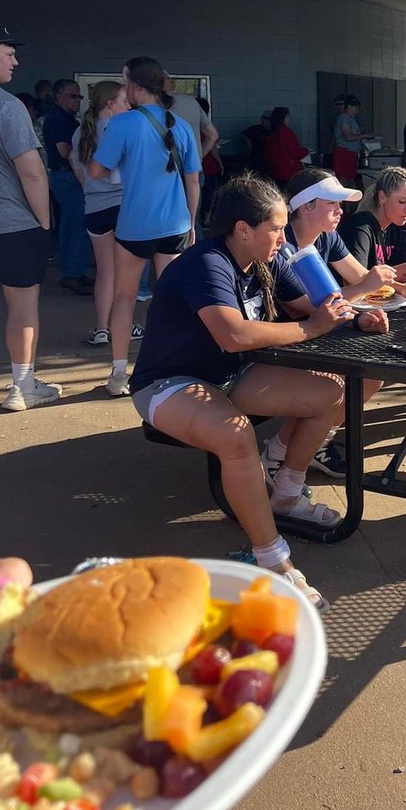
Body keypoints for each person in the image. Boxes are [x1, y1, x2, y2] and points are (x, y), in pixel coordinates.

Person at [129, 174, 354, 609]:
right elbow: (232, 335)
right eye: (276, 228)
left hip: (230, 376)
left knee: (332, 394)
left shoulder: (267, 259)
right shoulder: (206, 263)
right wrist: (311, 329)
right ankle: (270, 557)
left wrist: (355, 316)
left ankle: (286, 495)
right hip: (168, 383)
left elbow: (315, 307)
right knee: (236, 436)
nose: (283, 237)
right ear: (243, 229)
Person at [258, 168, 393, 484]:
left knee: (374, 376)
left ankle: (316, 444)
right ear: (306, 207)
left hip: (321, 334)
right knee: (337, 385)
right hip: (287, 340)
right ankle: (277, 455)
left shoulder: (328, 237)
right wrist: (363, 293)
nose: (340, 210)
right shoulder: (281, 246)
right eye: (332, 203)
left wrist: (398, 287)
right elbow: (307, 306)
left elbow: (362, 277)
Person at [88, 58, 200, 398]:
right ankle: (168, 367)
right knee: (170, 298)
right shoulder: (179, 125)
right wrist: (193, 223)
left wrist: (120, 167)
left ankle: (119, 373)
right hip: (176, 222)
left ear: (136, 87)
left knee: (124, 297)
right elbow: (193, 180)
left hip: (135, 225)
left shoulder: (122, 124)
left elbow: (95, 171)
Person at [0, 26, 62, 412]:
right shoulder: (6, 106)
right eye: (7, 52)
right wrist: (45, 222)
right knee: (22, 306)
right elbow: (32, 170)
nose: (15, 61)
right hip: (13, 223)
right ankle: (21, 387)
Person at [71, 79, 146, 354]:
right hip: (124, 207)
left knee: (105, 271)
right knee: (127, 274)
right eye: (124, 101)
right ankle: (125, 324)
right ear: (110, 103)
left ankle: (102, 328)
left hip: (95, 208)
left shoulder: (81, 133)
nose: (129, 105)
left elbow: (81, 174)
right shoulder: (123, 131)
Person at [43, 78, 92, 295]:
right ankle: (73, 272)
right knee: (78, 225)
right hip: (68, 175)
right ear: (60, 96)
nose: (78, 100)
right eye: (73, 96)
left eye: (79, 96)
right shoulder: (60, 120)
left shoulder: (65, 119)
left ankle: (71, 270)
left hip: (63, 176)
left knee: (68, 225)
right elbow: (66, 152)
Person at [339, 165, 406, 273]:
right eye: (402, 201)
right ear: (382, 197)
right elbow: (356, 280)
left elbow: (398, 273)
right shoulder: (360, 225)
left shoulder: (395, 226)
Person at [264, 107, 308, 187]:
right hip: (288, 172)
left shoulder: (272, 132)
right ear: (286, 117)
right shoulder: (287, 132)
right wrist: (306, 151)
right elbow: (295, 152)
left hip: (274, 171)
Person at [333, 95, 371, 185]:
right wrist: (363, 136)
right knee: (344, 179)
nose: (357, 111)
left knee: (350, 179)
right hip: (344, 153)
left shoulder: (352, 119)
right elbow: (348, 137)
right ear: (349, 107)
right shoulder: (344, 119)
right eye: (355, 108)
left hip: (352, 154)